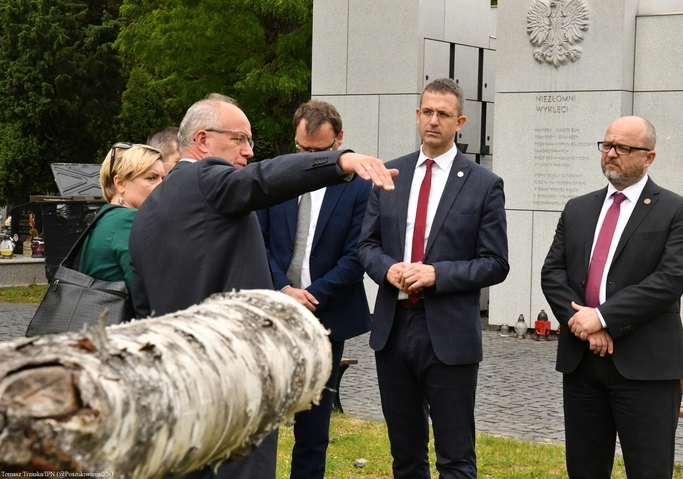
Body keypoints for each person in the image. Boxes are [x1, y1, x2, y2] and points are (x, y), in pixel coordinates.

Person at [128, 93, 396, 479]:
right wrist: (339, 162)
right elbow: (262, 178)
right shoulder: (207, 179)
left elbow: (143, 306)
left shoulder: (148, 211)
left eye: (250, 141)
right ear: (202, 140)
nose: (249, 151)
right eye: (239, 138)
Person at [358, 78, 509, 479]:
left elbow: (495, 262)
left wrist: (436, 274)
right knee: (405, 454)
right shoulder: (391, 174)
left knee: (455, 458)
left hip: (449, 333)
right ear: (417, 115)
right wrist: (388, 269)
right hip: (393, 329)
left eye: (443, 114)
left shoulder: (483, 184)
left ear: (460, 122)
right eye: (427, 111)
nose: (433, 120)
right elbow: (367, 245)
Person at [540, 116, 683, 479]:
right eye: (607, 145)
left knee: (648, 471)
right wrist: (582, 323)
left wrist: (603, 317)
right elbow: (553, 273)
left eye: (623, 148)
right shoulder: (578, 208)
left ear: (649, 157)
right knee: (584, 469)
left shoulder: (676, 211)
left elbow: (669, 281)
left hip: (645, 367)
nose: (611, 153)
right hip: (582, 364)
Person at [257, 100, 371, 479]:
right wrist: (283, 288)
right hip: (272, 311)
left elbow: (357, 255)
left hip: (326, 316)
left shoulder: (359, 187)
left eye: (319, 151)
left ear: (339, 140)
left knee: (312, 428)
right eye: (302, 150)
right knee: (259, 421)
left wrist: (311, 297)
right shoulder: (276, 176)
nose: (309, 159)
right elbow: (258, 240)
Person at [79, 143, 165, 294]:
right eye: (151, 178)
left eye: (163, 178)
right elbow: (147, 291)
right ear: (120, 183)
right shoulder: (129, 220)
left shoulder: (105, 216)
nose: (162, 186)